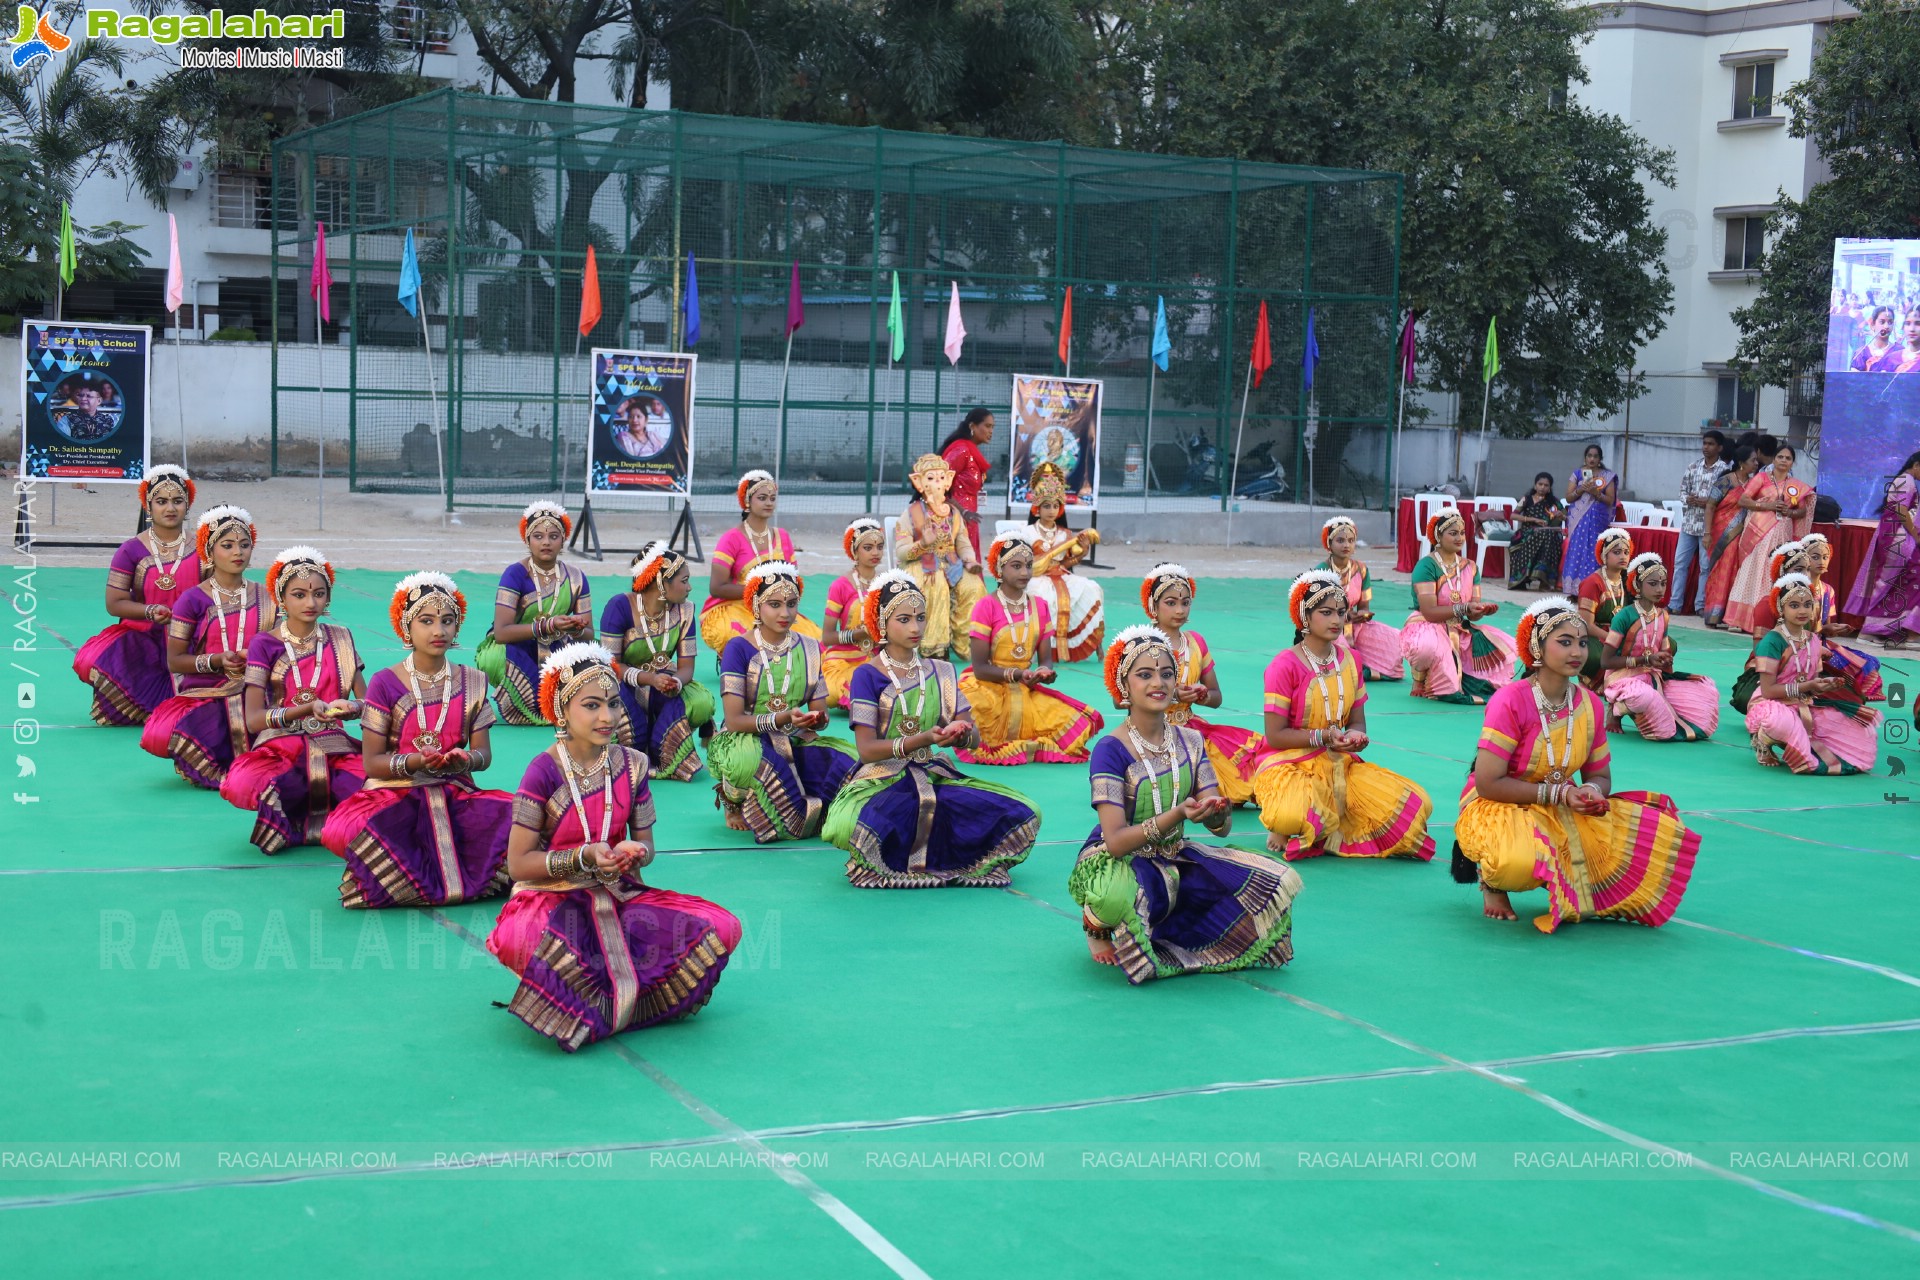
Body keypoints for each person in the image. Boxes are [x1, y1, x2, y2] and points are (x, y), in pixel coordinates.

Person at [486, 642, 741, 1052]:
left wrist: (633, 854)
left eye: (613, 704)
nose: (606, 717)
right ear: (562, 709)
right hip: (551, 898)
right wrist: (583, 856)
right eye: (591, 705)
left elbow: (647, 846)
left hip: (618, 893)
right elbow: (519, 864)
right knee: (529, 940)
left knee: (723, 927)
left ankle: (616, 1000)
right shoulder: (543, 770)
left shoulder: (633, 764)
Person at [1068, 626, 1303, 984]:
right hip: (1120, 858)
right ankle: (1097, 925)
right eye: (1144, 675)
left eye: (1165, 674)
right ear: (1124, 687)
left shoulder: (1191, 741)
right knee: (1114, 896)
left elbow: (1220, 828)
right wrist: (1177, 814)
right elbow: (1114, 841)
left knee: (1271, 883)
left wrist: (1216, 811)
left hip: (1176, 853)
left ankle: (1168, 924)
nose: (1157, 683)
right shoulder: (1110, 749)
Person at [1451, 596, 1699, 932]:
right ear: (1537, 647)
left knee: (1648, 843)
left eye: (1582, 643)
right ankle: (1493, 883)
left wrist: (1590, 791)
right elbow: (1488, 783)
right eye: (1564, 642)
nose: (1577, 652)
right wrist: (1560, 795)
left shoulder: (1590, 705)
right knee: (1518, 862)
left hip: (1561, 804)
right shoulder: (1510, 700)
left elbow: (1600, 775)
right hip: (1499, 804)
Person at [822, 572, 1041, 888]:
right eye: (905, 619)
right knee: (862, 825)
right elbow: (867, 750)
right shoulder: (867, 676)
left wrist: (962, 733)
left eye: (921, 618)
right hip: (881, 779)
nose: (915, 628)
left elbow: (975, 738)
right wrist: (922, 739)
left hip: (932, 772)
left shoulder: (942, 671)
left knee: (1025, 811)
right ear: (882, 623)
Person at [321, 572, 515, 909]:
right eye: (426, 621)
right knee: (344, 829)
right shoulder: (384, 682)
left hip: (456, 791)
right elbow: (371, 763)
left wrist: (464, 760)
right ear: (406, 628)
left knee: (523, 816)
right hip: (394, 792)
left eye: (447, 621)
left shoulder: (474, 681)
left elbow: (484, 755)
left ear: (457, 627)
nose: (438, 630)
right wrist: (415, 762)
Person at [1251, 570, 1436, 861]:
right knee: (1288, 816)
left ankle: (1318, 821)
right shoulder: (1283, 665)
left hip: (1340, 762)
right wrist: (1324, 736)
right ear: (1304, 617)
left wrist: (1355, 736)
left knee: (1417, 805)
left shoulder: (1350, 660)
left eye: (1341, 612)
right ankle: (1287, 825)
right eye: (1326, 612)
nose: (1337, 620)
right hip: (1290, 763)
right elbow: (1274, 735)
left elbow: (1357, 721)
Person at [221, 548, 367, 854]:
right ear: (281, 598)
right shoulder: (265, 644)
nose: (310, 603)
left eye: (319, 594)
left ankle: (330, 818)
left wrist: (353, 708)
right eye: (299, 594)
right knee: (242, 781)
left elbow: (369, 706)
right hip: (281, 748)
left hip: (334, 747)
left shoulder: (341, 638)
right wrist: (303, 710)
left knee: (379, 788)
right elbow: (253, 719)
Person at [707, 560, 858, 842]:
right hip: (746, 739)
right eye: (774, 604)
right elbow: (735, 719)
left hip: (796, 737)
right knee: (744, 763)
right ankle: (733, 799)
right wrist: (783, 718)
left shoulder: (810, 647)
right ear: (755, 606)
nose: (785, 612)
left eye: (791, 603)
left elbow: (820, 712)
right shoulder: (738, 648)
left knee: (849, 766)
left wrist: (817, 719)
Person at [140, 506, 274, 789]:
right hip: (208, 693)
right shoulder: (191, 600)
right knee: (190, 729)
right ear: (209, 552)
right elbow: (175, 662)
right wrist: (216, 661)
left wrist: (258, 659)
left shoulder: (268, 597)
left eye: (244, 545)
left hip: (258, 693)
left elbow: (281, 649)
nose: (238, 552)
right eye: (227, 545)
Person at [73, 465, 205, 725]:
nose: (170, 508)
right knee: (90, 659)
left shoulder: (203, 549)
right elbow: (114, 603)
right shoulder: (131, 550)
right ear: (148, 505)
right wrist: (151, 612)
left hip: (193, 637)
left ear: (187, 505)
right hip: (144, 636)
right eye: (162, 501)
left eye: (178, 501)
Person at [958, 533, 1104, 765]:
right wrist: (1017, 674)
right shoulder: (985, 606)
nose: (1025, 573)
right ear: (999, 568)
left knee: (1078, 722)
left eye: (1028, 565)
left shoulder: (1040, 606)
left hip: (1026, 690)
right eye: (1016, 566)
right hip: (989, 688)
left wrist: (1044, 673)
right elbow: (979, 669)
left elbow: (1045, 659)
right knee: (970, 713)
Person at [1140, 562, 1267, 805]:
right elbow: (1120, 699)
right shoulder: (1141, 643)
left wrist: (1201, 695)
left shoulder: (1196, 642)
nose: (1180, 610)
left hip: (1191, 730)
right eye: (1171, 603)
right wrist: (1172, 695)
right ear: (1152, 606)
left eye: (1185, 602)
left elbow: (1217, 697)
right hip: (1151, 732)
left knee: (1250, 770)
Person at [1746, 573, 1882, 775]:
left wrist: (1825, 684)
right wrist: (1808, 687)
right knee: (1779, 722)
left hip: (1806, 704)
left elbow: (1813, 679)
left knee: (1863, 739)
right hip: (1772, 704)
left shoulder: (1813, 640)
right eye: (1794, 605)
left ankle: (1797, 739)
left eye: (1807, 605)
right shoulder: (1772, 641)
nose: (1802, 611)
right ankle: (1763, 738)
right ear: (1781, 609)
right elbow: (1767, 691)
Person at [599, 542, 712, 781]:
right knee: (631, 730)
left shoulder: (686, 611)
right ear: (661, 582)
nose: (690, 587)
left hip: (664, 680)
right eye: (684, 580)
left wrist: (675, 683)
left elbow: (687, 668)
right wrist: (649, 679)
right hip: (623, 680)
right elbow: (610, 665)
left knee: (702, 701)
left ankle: (662, 756)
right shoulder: (619, 607)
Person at [474, 501, 594, 725]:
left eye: (553, 536)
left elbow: (589, 634)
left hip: (558, 648)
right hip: (515, 647)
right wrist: (550, 625)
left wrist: (575, 628)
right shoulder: (515, 573)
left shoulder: (576, 577)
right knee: (494, 658)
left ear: (563, 539)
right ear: (527, 540)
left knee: (594, 661)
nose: (546, 542)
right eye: (538, 536)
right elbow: (501, 633)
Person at [1600, 552, 1720, 742]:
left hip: (1654, 678)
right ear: (1638, 585)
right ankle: (1616, 710)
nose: (1660, 589)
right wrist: (1645, 660)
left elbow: (1663, 653)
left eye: (1663, 583)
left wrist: (1665, 660)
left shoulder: (1662, 616)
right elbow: (1606, 661)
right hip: (1623, 679)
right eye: (1653, 583)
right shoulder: (1624, 616)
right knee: (1660, 729)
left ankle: (1649, 707)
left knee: (1706, 693)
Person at [700, 470, 821, 655]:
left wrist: (776, 601)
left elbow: (793, 582)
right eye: (762, 498)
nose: (769, 503)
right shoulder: (731, 538)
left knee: (814, 642)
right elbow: (716, 588)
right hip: (737, 606)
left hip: (776, 608)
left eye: (772, 498)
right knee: (742, 636)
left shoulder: (783, 537)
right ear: (747, 501)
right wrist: (760, 590)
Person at [1402, 510, 1517, 705]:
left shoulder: (1470, 567)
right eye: (1453, 533)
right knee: (1430, 649)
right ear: (1438, 536)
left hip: (1460, 628)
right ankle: (1422, 675)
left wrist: (1480, 611)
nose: (1459, 538)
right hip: (1427, 625)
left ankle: (1451, 670)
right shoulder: (1426, 566)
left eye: (1462, 533)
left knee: (1505, 654)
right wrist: (1464, 608)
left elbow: (1472, 614)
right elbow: (1429, 612)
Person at [895, 453, 986, 661]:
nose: (936, 482)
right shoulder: (912, 513)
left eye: (940, 478)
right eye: (930, 478)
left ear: (948, 481)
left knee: (974, 586)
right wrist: (923, 544)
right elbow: (901, 550)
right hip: (921, 564)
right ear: (919, 483)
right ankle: (934, 647)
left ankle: (967, 646)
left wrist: (970, 561)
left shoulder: (954, 513)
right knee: (936, 585)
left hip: (952, 563)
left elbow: (962, 542)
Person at [1723, 443, 1816, 634]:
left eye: (1788, 458)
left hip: (1783, 534)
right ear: (1773, 460)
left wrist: (1789, 511)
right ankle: (1740, 620)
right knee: (1753, 571)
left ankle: (1768, 620)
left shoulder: (1795, 486)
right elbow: (1743, 500)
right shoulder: (1762, 478)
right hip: (1758, 535)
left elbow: (1803, 511)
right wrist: (1768, 506)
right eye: (1780, 457)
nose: (1783, 461)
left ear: (1792, 463)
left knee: (1775, 572)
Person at [1023, 461, 1105, 662]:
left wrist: (1082, 552)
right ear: (1037, 509)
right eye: (1047, 506)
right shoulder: (1027, 533)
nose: (1051, 510)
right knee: (1041, 595)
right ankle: (1041, 650)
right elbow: (1026, 564)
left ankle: (1092, 644)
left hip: (1060, 575)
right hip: (1036, 577)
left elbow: (1066, 564)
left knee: (1092, 588)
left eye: (1055, 506)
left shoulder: (1065, 533)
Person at [1844, 450, 1920, 648]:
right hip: (1898, 539)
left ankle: (1894, 631)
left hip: (1895, 537)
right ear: (1916, 465)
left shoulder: (1904, 480)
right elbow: (1901, 511)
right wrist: (1915, 535)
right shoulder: (1906, 480)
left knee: (1896, 583)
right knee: (1888, 584)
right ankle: (1870, 630)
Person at [1317, 515, 1402, 680]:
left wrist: (1362, 615)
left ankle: (1362, 671)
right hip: (1327, 628)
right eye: (1340, 540)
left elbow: (1364, 606)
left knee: (1395, 643)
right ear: (1329, 544)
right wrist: (1342, 616)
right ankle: (1360, 671)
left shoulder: (1361, 570)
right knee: (1341, 650)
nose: (1346, 545)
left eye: (1350, 540)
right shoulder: (1321, 571)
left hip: (1354, 626)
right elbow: (1318, 611)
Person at [820, 518, 885, 709]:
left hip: (876, 654)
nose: (875, 553)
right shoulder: (840, 586)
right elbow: (827, 637)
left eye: (879, 547)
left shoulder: (885, 584)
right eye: (868, 547)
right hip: (844, 656)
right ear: (854, 551)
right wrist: (859, 634)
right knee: (830, 693)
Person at [1700, 445, 1762, 628]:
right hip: (1722, 534)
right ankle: (1713, 614)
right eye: (1753, 460)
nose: (1756, 464)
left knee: (1737, 572)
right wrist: (1707, 533)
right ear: (1742, 463)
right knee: (1721, 571)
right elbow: (1710, 506)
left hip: (1743, 537)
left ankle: (1730, 616)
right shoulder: (1726, 481)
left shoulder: (1754, 484)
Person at [1672, 430, 1729, 614]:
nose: (1706, 447)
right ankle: (1675, 604)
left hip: (1708, 527)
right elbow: (1682, 492)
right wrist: (1688, 499)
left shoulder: (1724, 470)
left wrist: (1707, 502)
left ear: (1719, 447)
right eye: (1704, 443)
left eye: (1711, 444)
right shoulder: (1693, 467)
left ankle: (1700, 606)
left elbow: (1725, 499)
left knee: (1705, 567)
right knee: (1680, 563)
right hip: (1689, 523)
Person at [1576, 526, 1634, 693]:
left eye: (1625, 552)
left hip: (1617, 634)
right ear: (1604, 556)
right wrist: (1612, 639)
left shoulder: (1627, 581)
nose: (1623, 556)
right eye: (1616, 552)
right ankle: (1596, 682)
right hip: (1596, 636)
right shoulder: (1593, 583)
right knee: (1592, 656)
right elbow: (1585, 625)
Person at [1559, 444, 1619, 592]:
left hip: (1597, 520)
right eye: (1589, 456)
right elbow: (1568, 498)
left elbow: (1610, 500)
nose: (1592, 459)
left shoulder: (1607, 476)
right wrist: (1581, 490)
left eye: (1595, 456)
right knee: (1576, 551)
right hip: (1578, 519)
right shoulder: (1577, 474)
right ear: (1585, 458)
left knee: (1593, 551)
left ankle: (1592, 590)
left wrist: (1596, 493)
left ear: (1600, 459)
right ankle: (1573, 589)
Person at [937, 408, 996, 559]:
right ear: (972, 427)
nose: (991, 431)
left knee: (970, 572)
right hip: (954, 521)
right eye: (987, 426)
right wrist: (962, 511)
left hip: (969, 520)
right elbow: (937, 488)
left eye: (992, 427)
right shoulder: (961, 451)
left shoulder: (971, 451)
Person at [1504, 472, 1566, 591]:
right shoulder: (1526, 499)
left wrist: (1560, 515)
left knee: (1549, 536)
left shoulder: (1554, 501)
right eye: (1540, 484)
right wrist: (1533, 519)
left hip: (1548, 532)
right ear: (1535, 485)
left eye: (1546, 485)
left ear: (1549, 488)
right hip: (1527, 532)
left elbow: (1566, 516)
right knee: (1545, 536)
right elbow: (1513, 515)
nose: (1542, 487)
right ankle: (1529, 580)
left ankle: (1544, 580)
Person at [56, 377, 118, 441]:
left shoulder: (110, 420)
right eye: (81, 395)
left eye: (89, 396)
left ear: (99, 401)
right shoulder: (66, 420)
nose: (83, 399)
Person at [1851, 306, 1897, 371]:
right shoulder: (1861, 353)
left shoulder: (1899, 351)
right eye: (1882, 322)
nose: (1886, 326)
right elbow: (1854, 379)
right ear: (1872, 324)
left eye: (1890, 322)